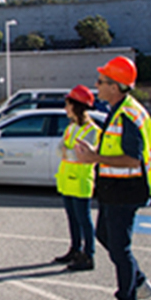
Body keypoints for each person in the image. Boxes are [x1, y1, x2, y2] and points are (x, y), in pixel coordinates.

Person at [74, 56, 151, 300]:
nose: (97, 85)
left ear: (115, 86)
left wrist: (94, 158)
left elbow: (133, 158)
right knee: (105, 235)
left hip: (126, 189)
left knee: (120, 248)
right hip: (114, 188)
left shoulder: (128, 114)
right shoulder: (120, 109)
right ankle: (137, 282)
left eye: (102, 81)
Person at [54, 85, 100, 272]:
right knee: (72, 217)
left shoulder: (92, 130)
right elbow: (60, 150)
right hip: (67, 179)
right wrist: (69, 152)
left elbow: (81, 155)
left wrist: (68, 152)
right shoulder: (71, 127)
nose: (65, 109)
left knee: (84, 219)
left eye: (68, 105)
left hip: (81, 180)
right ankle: (75, 249)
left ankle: (88, 255)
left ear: (76, 106)